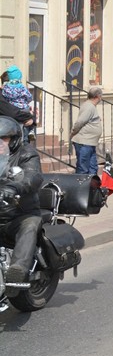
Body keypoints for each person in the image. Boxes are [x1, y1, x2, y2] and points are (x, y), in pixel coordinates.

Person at [0, 116, 43, 284]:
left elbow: (33, 176)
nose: (0, 143)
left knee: (29, 226)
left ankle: (17, 271)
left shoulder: (26, 153)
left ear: (14, 139)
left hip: (19, 213)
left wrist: (15, 187)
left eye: (4, 138)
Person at [70, 86, 103, 175]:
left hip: (90, 142)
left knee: (93, 168)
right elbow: (80, 121)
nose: (101, 98)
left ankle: (91, 187)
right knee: (83, 169)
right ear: (97, 96)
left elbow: (88, 119)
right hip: (84, 142)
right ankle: (81, 188)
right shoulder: (89, 107)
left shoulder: (91, 106)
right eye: (101, 96)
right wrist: (73, 132)